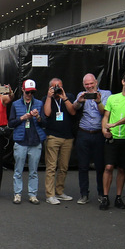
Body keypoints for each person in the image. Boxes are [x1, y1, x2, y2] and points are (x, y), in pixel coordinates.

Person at [102, 72, 125, 210]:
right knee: (108, 167)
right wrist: (104, 130)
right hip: (113, 138)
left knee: (122, 169)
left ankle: (118, 197)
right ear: (123, 82)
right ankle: (105, 197)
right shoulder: (112, 98)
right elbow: (106, 116)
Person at [8, 80, 46, 204]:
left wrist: (38, 117)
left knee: (33, 170)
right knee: (18, 169)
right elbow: (11, 123)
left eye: (32, 92)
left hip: (35, 140)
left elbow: (44, 122)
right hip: (21, 140)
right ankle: (17, 193)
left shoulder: (39, 104)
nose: (29, 94)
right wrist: (23, 117)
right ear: (23, 91)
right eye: (28, 92)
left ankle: (32, 194)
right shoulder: (16, 104)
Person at [74, 74, 110, 204]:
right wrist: (79, 101)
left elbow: (105, 112)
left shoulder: (106, 94)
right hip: (84, 132)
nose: (89, 87)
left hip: (98, 133)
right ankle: (84, 194)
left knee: (100, 166)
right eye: (86, 84)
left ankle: (101, 193)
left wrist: (98, 101)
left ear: (96, 82)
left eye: (91, 84)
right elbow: (74, 109)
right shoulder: (81, 94)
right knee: (83, 166)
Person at [42, 77, 76, 205]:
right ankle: (50, 195)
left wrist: (64, 97)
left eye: (59, 86)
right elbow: (47, 114)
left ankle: (60, 191)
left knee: (64, 167)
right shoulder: (47, 99)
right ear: (50, 88)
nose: (57, 89)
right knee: (51, 167)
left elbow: (73, 111)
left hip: (67, 137)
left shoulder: (69, 96)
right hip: (53, 136)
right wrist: (49, 97)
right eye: (54, 87)